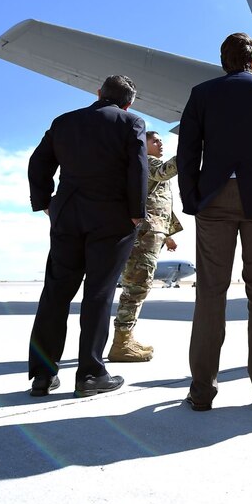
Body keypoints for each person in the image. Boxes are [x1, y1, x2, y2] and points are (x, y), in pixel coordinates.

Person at [177, 32, 252, 411]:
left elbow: (186, 151)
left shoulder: (202, 93)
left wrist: (191, 197)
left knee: (211, 291)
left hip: (213, 198)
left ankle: (202, 391)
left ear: (224, 63)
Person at [26, 75, 148, 398]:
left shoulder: (64, 122)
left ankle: (42, 375)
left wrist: (45, 203)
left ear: (98, 94)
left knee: (55, 292)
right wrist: (137, 211)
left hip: (67, 216)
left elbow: (37, 163)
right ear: (128, 102)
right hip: (111, 220)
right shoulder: (131, 123)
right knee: (98, 294)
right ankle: (90, 374)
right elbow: (138, 168)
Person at [107, 130, 182, 363]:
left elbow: (159, 203)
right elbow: (164, 172)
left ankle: (126, 337)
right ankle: (121, 342)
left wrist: (168, 234)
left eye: (161, 140)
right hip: (144, 235)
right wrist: (191, 149)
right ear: (144, 144)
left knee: (140, 285)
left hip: (153, 233)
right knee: (136, 286)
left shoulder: (149, 165)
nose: (160, 143)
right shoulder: (146, 163)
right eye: (155, 140)